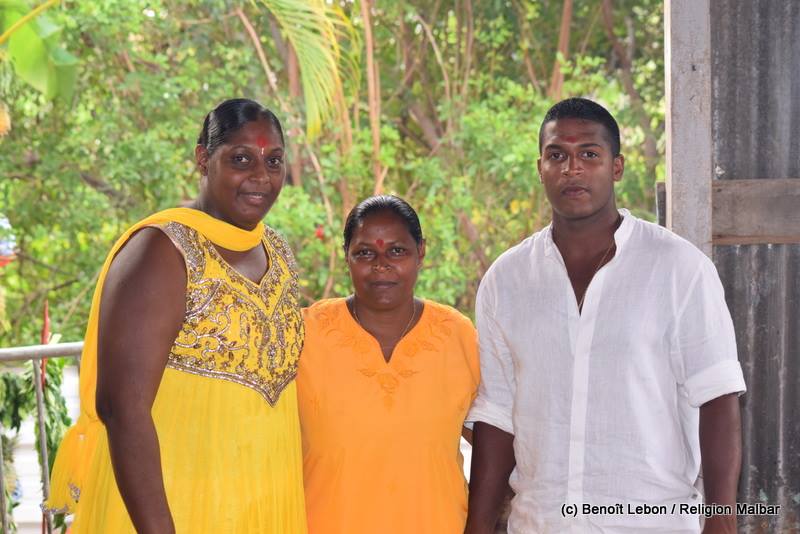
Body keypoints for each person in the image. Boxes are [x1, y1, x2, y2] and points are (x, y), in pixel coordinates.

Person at [465, 97, 746, 534]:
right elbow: (497, 414)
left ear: (616, 167)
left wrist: (721, 521)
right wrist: (478, 527)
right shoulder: (507, 280)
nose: (571, 169)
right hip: (541, 524)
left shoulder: (679, 268)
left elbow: (717, 396)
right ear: (540, 166)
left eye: (589, 155)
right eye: (557, 155)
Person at [44, 99, 307, 533]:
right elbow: (121, 408)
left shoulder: (276, 249)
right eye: (241, 158)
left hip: (261, 500)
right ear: (203, 158)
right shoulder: (161, 250)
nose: (261, 176)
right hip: (174, 508)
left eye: (273, 160)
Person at [297, 195, 480, 534]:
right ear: (346, 256)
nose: (381, 265)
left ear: (420, 253)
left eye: (397, 251)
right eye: (365, 253)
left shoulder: (457, 335)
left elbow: (492, 444)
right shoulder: (306, 334)